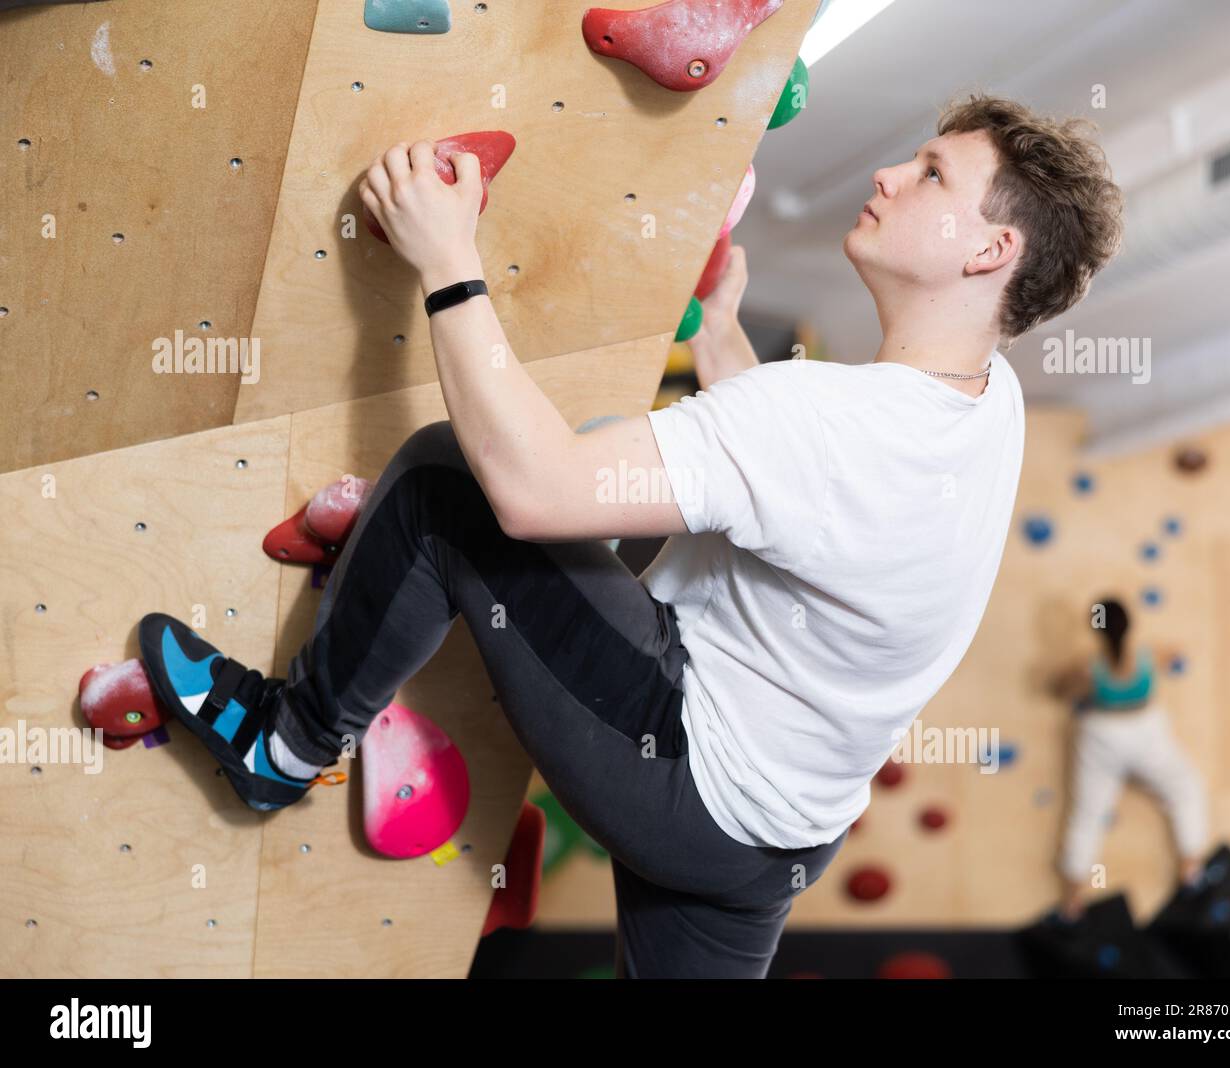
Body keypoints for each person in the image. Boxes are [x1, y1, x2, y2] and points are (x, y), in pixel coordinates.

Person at [136, 94, 1123, 978]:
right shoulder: (985, 401)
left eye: (932, 174)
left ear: (989, 252)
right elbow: (819, 490)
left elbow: (533, 492)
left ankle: (285, 743)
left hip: (689, 774)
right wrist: (724, 337)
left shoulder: (828, 419)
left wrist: (446, 263)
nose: (887, 173)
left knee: (452, 478)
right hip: (784, 839)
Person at [1049, 597, 1209, 920]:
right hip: (1146, 734)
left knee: (1089, 812)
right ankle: (1191, 866)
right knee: (1187, 788)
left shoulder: (1089, 666)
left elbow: (1060, 688)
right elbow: (1175, 653)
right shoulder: (1146, 656)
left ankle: (1072, 898)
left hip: (1103, 737)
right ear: (1129, 627)